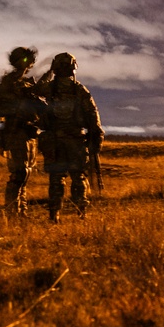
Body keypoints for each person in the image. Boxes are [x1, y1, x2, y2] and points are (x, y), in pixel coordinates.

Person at [36, 53, 103, 223]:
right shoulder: (80, 89)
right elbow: (92, 114)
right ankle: (81, 213)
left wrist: (48, 72)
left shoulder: (49, 88)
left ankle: (54, 215)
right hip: (76, 140)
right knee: (78, 177)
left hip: (55, 141)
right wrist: (96, 137)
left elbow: (36, 89)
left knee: (56, 178)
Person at [0, 46, 46, 216]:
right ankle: (12, 211)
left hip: (29, 132)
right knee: (19, 173)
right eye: (23, 59)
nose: (26, 63)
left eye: (28, 60)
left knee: (26, 172)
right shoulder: (7, 84)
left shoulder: (28, 84)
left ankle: (21, 211)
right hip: (15, 132)